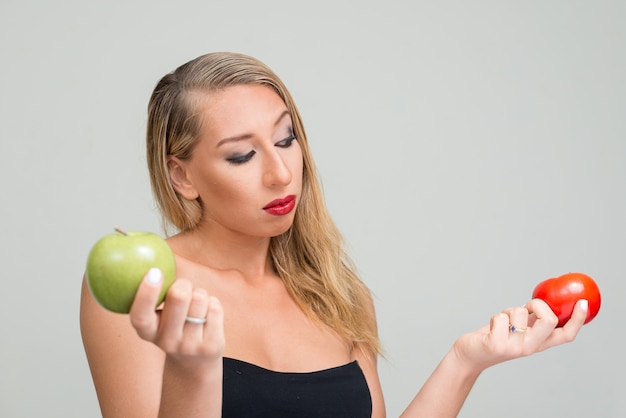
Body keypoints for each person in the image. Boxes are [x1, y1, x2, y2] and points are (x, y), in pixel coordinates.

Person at [80, 52, 588, 418]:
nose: (281, 174)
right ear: (182, 176)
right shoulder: (148, 288)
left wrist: (465, 362)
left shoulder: (338, 295)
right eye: (242, 155)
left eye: (286, 139)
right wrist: (192, 371)